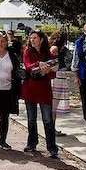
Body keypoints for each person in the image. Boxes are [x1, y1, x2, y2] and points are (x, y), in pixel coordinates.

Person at [21, 30, 58, 158]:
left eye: (35, 38)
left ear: (41, 39)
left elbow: (54, 71)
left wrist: (48, 70)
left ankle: (52, 148)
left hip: (44, 91)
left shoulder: (48, 53)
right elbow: (27, 66)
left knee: (47, 120)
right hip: (30, 89)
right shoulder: (27, 51)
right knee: (31, 119)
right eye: (31, 38)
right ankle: (32, 143)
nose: (32, 40)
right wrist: (39, 64)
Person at [48, 29, 72, 135]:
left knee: (53, 105)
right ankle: (51, 128)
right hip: (58, 76)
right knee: (53, 106)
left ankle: (51, 128)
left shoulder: (53, 46)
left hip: (57, 76)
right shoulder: (57, 48)